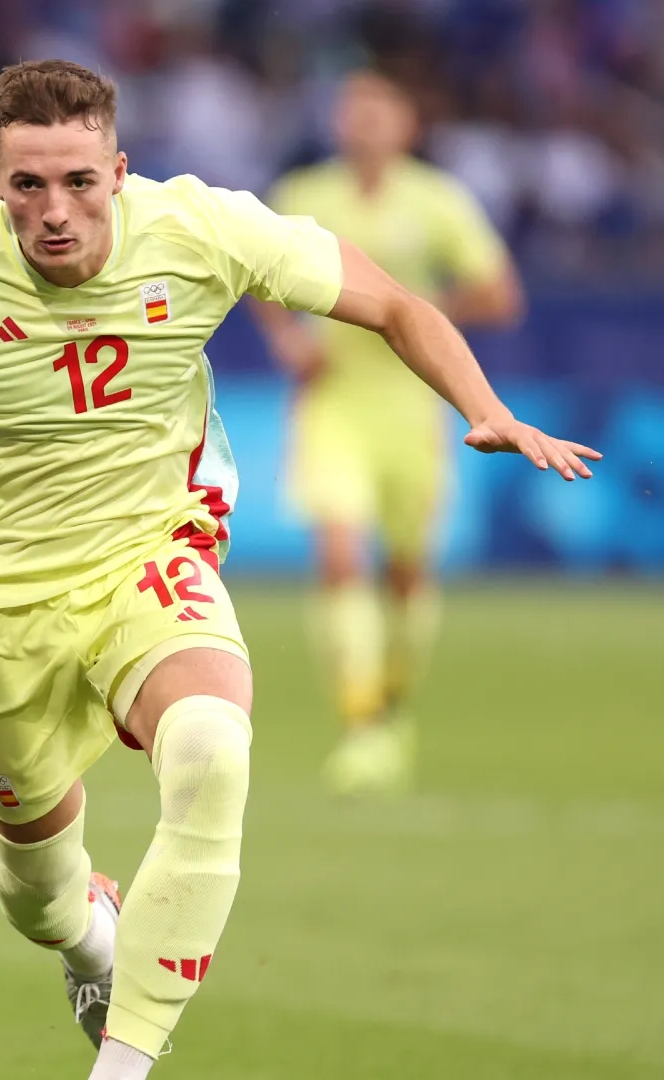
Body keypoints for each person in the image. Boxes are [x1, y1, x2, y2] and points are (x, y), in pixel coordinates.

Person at [0, 59, 597, 1080]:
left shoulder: (200, 227)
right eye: (28, 186)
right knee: (37, 889)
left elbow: (399, 305)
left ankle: (124, 1067)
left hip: (152, 555)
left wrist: (481, 407)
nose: (56, 212)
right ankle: (86, 930)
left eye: (81, 182)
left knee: (212, 749)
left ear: (120, 171)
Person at [251, 71, 525, 795]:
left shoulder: (437, 201)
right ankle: (363, 723)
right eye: (353, 112)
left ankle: (393, 704)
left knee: (406, 572)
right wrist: (285, 339)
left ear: (406, 125)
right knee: (339, 556)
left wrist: (418, 309)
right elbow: (250, 274)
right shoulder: (306, 196)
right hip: (334, 401)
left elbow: (501, 295)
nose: (364, 124)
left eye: (379, 112)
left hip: (413, 406)